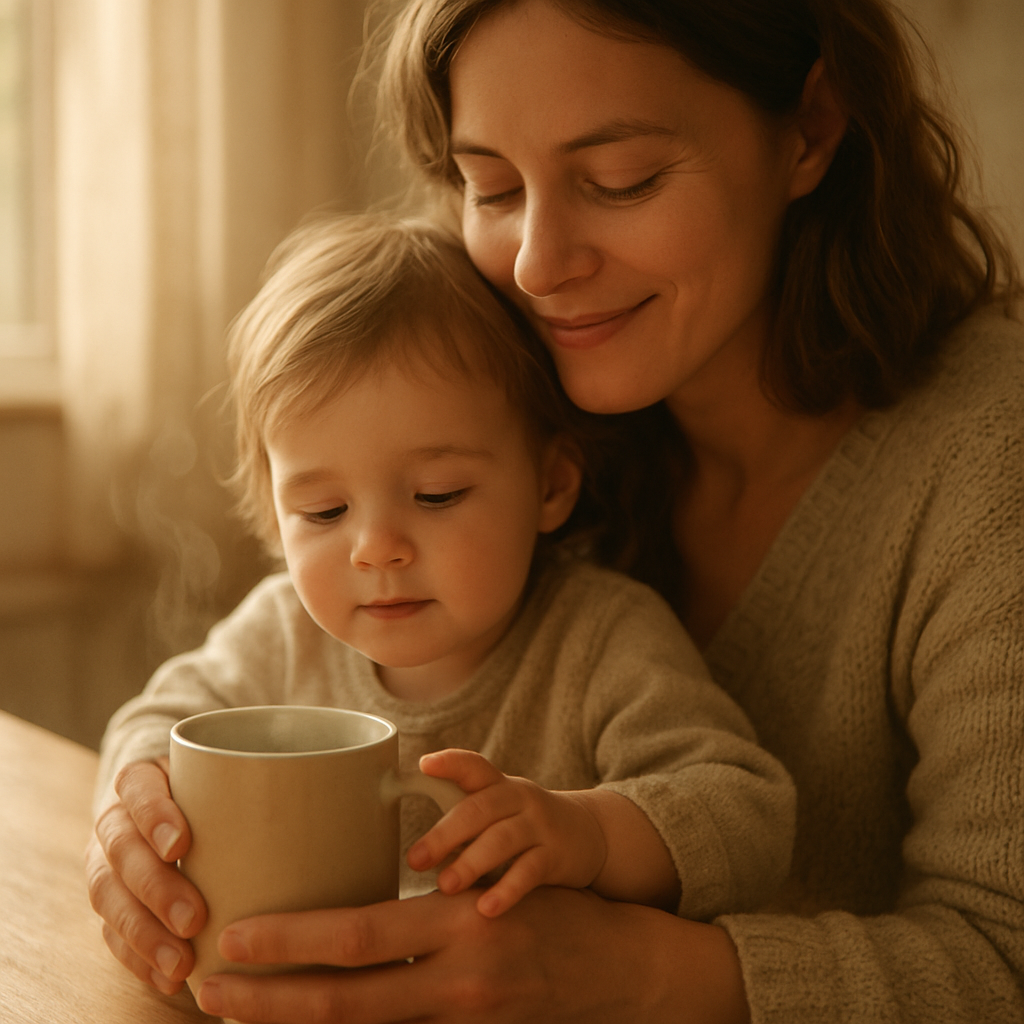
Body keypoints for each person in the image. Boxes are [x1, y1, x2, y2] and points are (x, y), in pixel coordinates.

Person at [86, 0, 1024, 1021]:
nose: (536, 264)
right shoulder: (516, 418)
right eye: (489, 187)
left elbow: (1002, 963)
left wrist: (641, 971)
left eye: (620, 180)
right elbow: (193, 696)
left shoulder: (989, 466)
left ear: (808, 128)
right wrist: (136, 827)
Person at [87, 211, 795, 987]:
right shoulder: (284, 628)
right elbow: (155, 720)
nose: (375, 547)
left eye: (437, 493)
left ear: (551, 484)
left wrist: (591, 831)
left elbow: (748, 813)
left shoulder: (599, 638)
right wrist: (139, 807)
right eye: (323, 512)